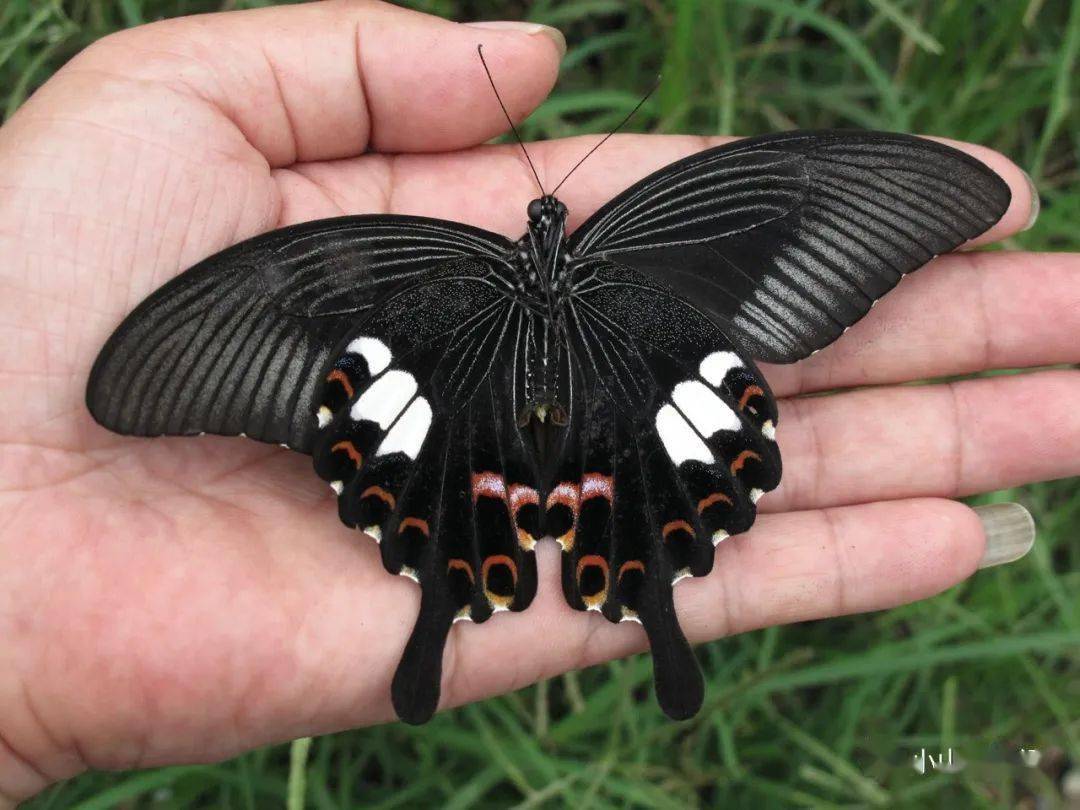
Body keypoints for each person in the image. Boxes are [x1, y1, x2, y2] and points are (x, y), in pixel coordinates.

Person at [0, 1, 1074, 804]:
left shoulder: (392, 257)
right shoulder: (658, 223)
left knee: (494, 530)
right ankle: (628, 610)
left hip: (565, 404)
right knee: (574, 514)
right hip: (553, 409)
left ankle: (499, 608)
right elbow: (243, 336)